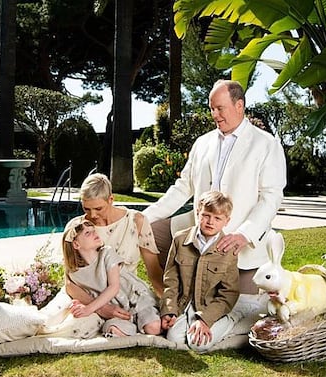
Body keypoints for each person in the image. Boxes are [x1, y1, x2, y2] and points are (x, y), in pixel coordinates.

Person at [143, 79, 287, 294]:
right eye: (212, 109)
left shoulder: (266, 144)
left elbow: (271, 197)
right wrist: (144, 216)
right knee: (151, 231)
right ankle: (164, 295)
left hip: (240, 242)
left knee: (244, 313)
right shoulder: (202, 143)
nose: (215, 115)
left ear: (239, 106)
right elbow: (183, 187)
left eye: (220, 108)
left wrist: (244, 235)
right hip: (200, 229)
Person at [65, 173, 163, 322]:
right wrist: (101, 308)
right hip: (87, 299)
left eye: (98, 208)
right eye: (86, 209)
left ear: (111, 199)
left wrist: (169, 309)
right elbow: (69, 283)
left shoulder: (136, 221)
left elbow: (154, 273)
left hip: (128, 296)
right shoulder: (77, 228)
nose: (92, 215)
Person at [160, 191, 239, 352]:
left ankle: (233, 320)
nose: (210, 222)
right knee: (173, 338)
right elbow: (171, 280)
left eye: (218, 218)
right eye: (206, 215)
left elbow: (228, 293)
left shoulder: (228, 249)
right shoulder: (180, 240)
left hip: (210, 306)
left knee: (198, 345)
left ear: (226, 221)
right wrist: (170, 310)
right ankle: (191, 323)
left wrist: (205, 320)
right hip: (185, 304)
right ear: (198, 213)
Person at [62, 219, 161, 336]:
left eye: (93, 230)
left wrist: (88, 309)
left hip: (136, 300)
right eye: (87, 233)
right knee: (112, 328)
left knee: (153, 328)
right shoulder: (74, 274)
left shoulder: (106, 253)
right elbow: (69, 287)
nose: (94, 233)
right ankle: (132, 327)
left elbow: (114, 287)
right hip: (117, 310)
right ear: (76, 244)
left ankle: (141, 324)